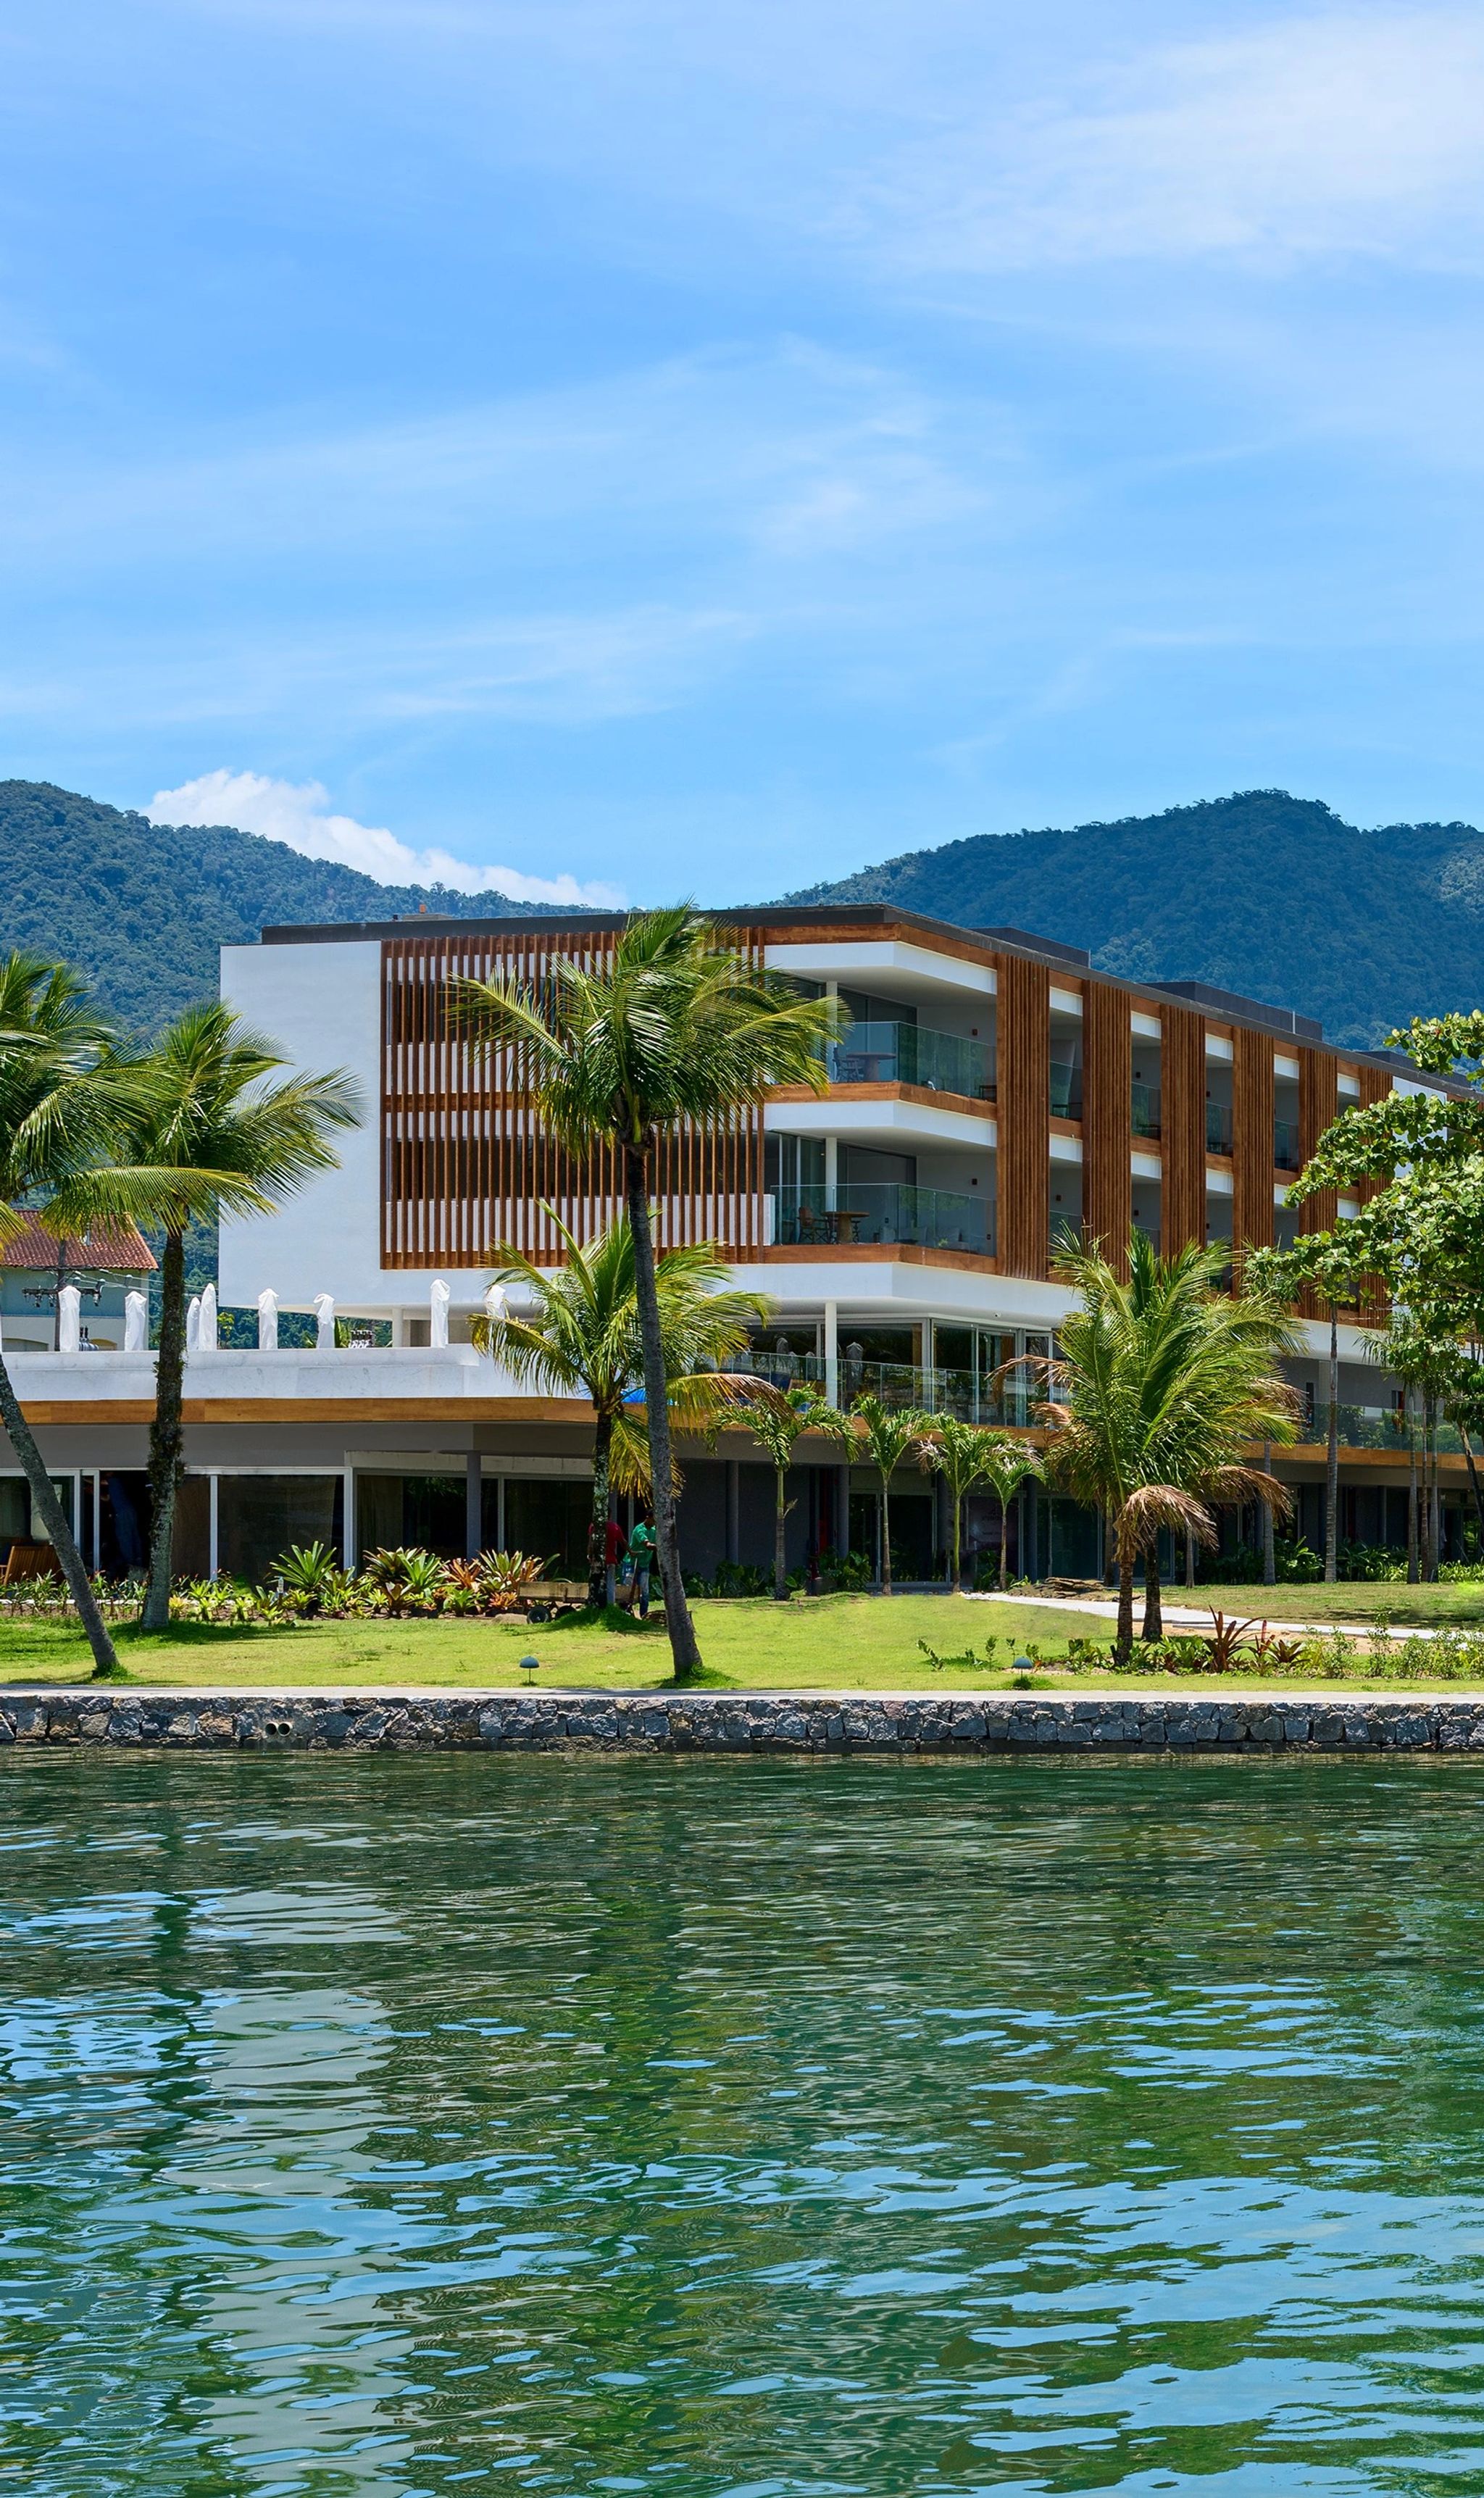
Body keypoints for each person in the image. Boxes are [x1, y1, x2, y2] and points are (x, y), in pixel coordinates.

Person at [622, 1515, 656, 1619]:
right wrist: (662, 1547)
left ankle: (644, 1615)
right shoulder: (639, 1529)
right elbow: (648, 1545)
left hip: (644, 1564)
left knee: (645, 1591)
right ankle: (625, 1612)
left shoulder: (654, 1530)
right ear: (648, 1517)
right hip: (632, 1563)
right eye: (654, 1519)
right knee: (627, 1589)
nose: (655, 1522)